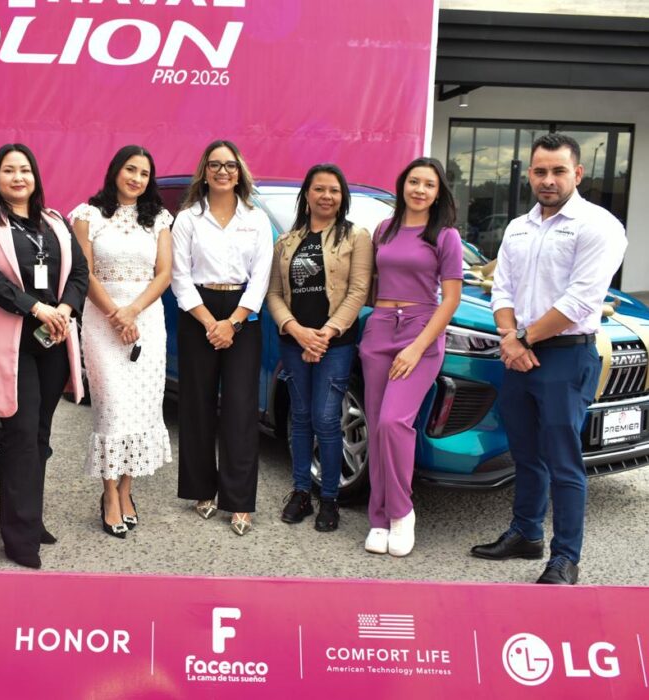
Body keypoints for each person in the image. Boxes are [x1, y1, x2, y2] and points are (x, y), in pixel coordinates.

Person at [471, 133, 626, 585]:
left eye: (558, 171)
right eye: (540, 171)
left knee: (563, 461)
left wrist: (520, 339)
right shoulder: (518, 227)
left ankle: (565, 558)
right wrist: (510, 337)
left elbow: (580, 301)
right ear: (529, 175)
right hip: (519, 354)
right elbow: (502, 289)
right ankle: (526, 534)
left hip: (565, 357)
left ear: (577, 173)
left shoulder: (598, 226)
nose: (548, 180)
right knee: (525, 454)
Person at [0, 144, 88, 569]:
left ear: (35, 177)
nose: (18, 178)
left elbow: (80, 273)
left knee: (40, 434)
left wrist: (65, 308)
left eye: (25, 170)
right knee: (20, 433)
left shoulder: (55, 222)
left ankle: (30, 519)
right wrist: (36, 308)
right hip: (11, 341)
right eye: (9, 171)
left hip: (53, 339)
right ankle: (18, 538)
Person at [359, 157, 462, 557]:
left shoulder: (446, 236)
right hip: (380, 328)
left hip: (420, 331)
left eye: (429, 185)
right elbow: (370, 283)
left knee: (394, 422)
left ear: (438, 193)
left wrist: (417, 346)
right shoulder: (384, 229)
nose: (420, 190)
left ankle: (402, 513)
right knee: (376, 425)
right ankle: (378, 517)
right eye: (414, 182)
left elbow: (450, 299)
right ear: (403, 185)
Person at [69, 146, 173, 539]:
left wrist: (133, 312)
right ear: (115, 170)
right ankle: (109, 494)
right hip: (102, 322)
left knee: (141, 411)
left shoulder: (159, 218)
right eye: (131, 169)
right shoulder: (87, 215)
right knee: (112, 409)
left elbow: (164, 274)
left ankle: (127, 490)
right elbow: (84, 272)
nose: (136, 179)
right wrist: (116, 314)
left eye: (144, 173)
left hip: (146, 322)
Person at [170, 140, 273, 536]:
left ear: (239, 171)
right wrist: (210, 322)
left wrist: (232, 322)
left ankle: (239, 500)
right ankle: (201, 490)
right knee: (196, 404)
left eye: (229, 165)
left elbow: (261, 276)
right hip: (198, 311)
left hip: (242, 313)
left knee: (240, 408)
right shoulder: (188, 219)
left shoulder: (256, 218)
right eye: (215, 165)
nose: (223, 172)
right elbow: (179, 276)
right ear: (205, 171)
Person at [265, 164, 372, 532]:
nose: (327, 196)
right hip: (294, 343)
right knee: (300, 416)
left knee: (327, 419)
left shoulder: (356, 236)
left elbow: (359, 290)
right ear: (307, 195)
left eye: (334, 190)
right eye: (319, 189)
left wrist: (324, 334)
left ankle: (329, 498)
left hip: (335, 344)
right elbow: (274, 294)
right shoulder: (286, 241)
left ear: (342, 197)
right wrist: (297, 331)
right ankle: (300, 493)